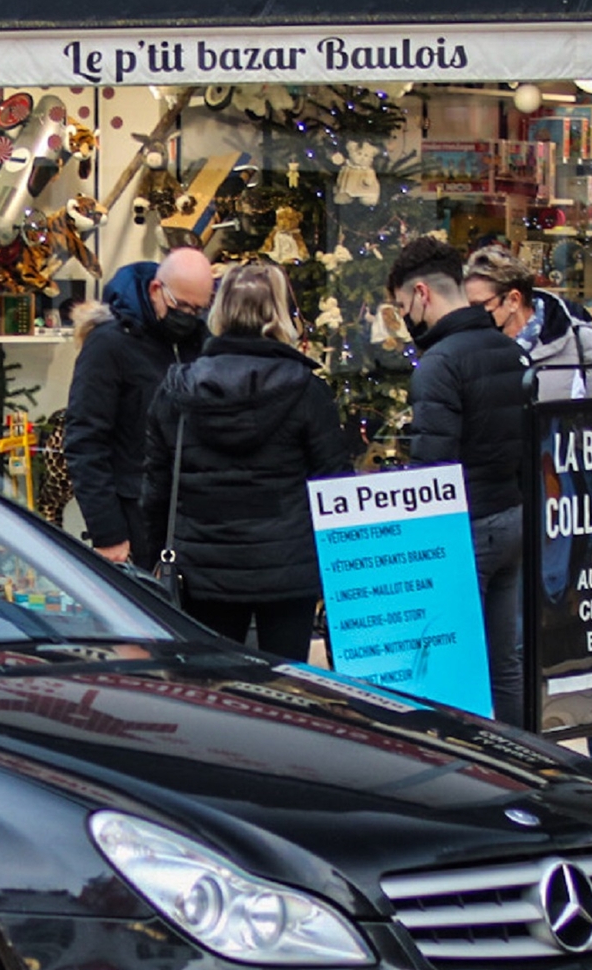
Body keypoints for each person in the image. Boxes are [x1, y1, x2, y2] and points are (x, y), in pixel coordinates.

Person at [464, 244, 592, 760]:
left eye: (482, 306)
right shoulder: (480, 348)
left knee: (580, 627)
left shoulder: (576, 337)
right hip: (510, 505)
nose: (475, 317)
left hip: (570, 506)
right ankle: (530, 749)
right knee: (514, 641)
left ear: (513, 300)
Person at [140, 261, 352, 655]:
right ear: (279, 315)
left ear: (218, 311)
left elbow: (156, 489)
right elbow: (335, 486)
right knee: (287, 689)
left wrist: (153, 558)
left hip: (202, 571)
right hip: (288, 570)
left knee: (215, 693)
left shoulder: (176, 391)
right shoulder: (306, 391)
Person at [388, 236, 530, 724]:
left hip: (469, 526)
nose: (405, 316)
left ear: (422, 294)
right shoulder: (508, 350)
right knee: (503, 662)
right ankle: (523, 761)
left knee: (450, 664)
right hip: (512, 515)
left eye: (402, 304)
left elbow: (433, 467)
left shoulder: (440, 364)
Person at [65, 248, 214, 565]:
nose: (188, 316)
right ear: (156, 290)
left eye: (198, 309)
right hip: (134, 518)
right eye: (181, 305)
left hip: (193, 519)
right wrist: (107, 532)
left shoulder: (201, 344)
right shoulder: (109, 344)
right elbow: (85, 440)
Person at [463, 244, 592, 400]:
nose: (472, 314)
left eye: (481, 305)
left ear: (513, 300)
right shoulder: (468, 347)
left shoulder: (579, 339)